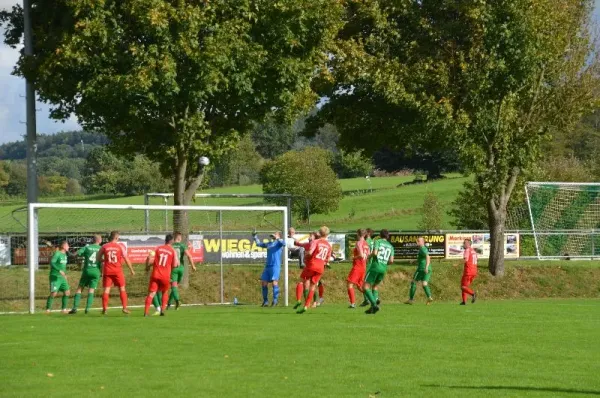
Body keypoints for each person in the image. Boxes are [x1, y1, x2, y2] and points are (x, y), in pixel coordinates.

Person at [296, 226, 332, 314]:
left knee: (301, 281)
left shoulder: (316, 242)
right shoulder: (328, 245)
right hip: (321, 267)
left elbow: (310, 252)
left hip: (312, 264)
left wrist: (305, 255)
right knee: (313, 286)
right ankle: (306, 306)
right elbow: (327, 259)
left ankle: (299, 300)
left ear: (319, 233)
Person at [98, 231, 135, 315]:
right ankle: (124, 308)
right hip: (117, 271)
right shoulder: (120, 247)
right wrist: (131, 270)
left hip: (107, 271)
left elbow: (98, 258)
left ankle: (104, 309)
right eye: (118, 238)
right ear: (116, 238)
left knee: (107, 290)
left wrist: (105, 260)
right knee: (122, 288)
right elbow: (126, 259)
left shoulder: (104, 246)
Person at [144, 234, 179, 317]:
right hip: (165, 276)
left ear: (165, 240)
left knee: (151, 294)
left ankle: (146, 312)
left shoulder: (158, 248)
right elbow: (174, 264)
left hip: (155, 274)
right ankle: (162, 310)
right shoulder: (172, 251)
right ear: (172, 241)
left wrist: (148, 267)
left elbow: (150, 258)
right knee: (165, 292)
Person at [69, 235, 102, 314]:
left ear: (92, 240)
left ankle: (75, 308)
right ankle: (87, 309)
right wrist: (102, 272)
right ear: (99, 240)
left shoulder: (87, 247)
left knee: (80, 289)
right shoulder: (101, 248)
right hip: (96, 271)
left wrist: (68, 252)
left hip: (87, 271)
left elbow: (74, 255)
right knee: (91, 290)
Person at [363, 230, 394, 314]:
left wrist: (368, 257)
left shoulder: (378, 241)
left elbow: (375, 253)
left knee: (365, 287)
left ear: (380, 235)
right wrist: (384, 262)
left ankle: (374, 305)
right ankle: (372, 308)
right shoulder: (391, 246)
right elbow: (391, 261)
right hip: (383, 269)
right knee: (375, 286)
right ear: (387, 236)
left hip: (375, 267)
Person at [253, 230, 286, 306]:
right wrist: (255, 236)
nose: (273, 236)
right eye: (273, 235)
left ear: (278, 236)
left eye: (275, 234)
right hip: (268, 266)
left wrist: (278, 238)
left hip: (275, 266)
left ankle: (275, 300)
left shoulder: (279, 243)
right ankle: (265, 301)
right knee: (264, 282)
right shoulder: (269, 244)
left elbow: (284, 243)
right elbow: (258, 244)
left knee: (274, 282)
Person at [166, 232, 197, 310]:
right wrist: (193, 266)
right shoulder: (182, 246)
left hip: (174, 268)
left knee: (174, 286)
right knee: (175, 287)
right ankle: (169, 304)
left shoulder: (171, 246)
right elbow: (189, 256)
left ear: (174, 238)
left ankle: (177, 301)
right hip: (181, 268)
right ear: (179, 238)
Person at [405, 237, 433, 305]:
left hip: (421, 269)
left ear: (422, 242)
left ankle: (411, 300)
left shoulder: (423, 249)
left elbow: (428, 257)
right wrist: (414, 261)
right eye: (417, 241)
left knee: (413, 282)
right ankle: (429, 297)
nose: (417, 242)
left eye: (418, 241)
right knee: (424, 284)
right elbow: (422, 259)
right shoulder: (422, 249)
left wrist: (425, 267)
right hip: (428, 269)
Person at [45, 241, 71, 313]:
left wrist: (65, 275)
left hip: (62, 277)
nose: (68, 247)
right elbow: (52, 263)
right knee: (54, 293)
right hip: (55, 276)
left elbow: (63, 266)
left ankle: (64, 309)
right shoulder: (57, 253)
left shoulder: (64, 255)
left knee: (67, 292)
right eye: (67, 245)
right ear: (63, 246)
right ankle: (48, 309)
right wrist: (59, 270)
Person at [347, 229, 369, 308]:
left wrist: (353, 257)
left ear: (358, 234)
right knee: (360, 286)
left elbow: (361, 255)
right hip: (363, 266)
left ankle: (352, 303)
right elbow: (367, 255)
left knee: (349, 284)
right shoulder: (366, 244)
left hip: (358, 266)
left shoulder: (359, 243)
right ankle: (369, 298)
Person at [359, 228, 376, 307]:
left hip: (367, 264)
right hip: (373, 264)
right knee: (370, 283)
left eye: (366, 233)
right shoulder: (373, 241)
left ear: (368, 233)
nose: (365, 234)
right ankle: (372, 299)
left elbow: (367, 253)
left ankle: (367, 300)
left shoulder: (366, 242)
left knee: (364, 282)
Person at [460, 239, 478, 305]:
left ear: (468, 244)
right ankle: (464, 301)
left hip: (468, 271)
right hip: (474, 271)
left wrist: (456, 264)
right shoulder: (473, 251)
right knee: (464, 286)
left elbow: (465, 260)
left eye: (464, 243)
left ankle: (473, 294)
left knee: (463, 287)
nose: (463, 244)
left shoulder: (467, 250)